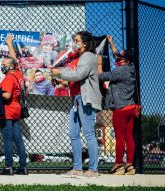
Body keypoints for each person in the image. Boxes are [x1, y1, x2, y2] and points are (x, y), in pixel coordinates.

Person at [51, 31, 102, 178]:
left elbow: (79, 74)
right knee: (73, 134)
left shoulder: (88, 56)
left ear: (85, 43)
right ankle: (77, 168)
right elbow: (74, 78)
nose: (75, 43)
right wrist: (62, 80)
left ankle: (93, 169)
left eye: (77, 40)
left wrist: (59, 73)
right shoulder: (81, 57)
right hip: (76, 98)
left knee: (89, 133)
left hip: (85, 99)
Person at [97, 35, 137, 175]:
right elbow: (116, 54)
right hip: (131, 108)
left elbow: (100, 77)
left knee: (119, 137)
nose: (117, 60)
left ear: (126, 60)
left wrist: (99, 64)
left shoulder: (119, 71)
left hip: (120, 109)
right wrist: (112, 43)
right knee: (129, 137)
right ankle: (130, 166)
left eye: (120, 59)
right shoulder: (131, 68)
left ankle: (118, 164)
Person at [0, 34, 28, 175]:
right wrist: (10, 44)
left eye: (4, 65)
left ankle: (8, 166)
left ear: (10, 67)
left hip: (8, 110)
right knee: (18, 139)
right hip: (16, 109)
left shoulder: (9, 78)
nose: (2, 66)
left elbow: (7, 95)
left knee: (8, 140)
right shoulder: (18, 74)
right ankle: (23, 166)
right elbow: (14, 60)